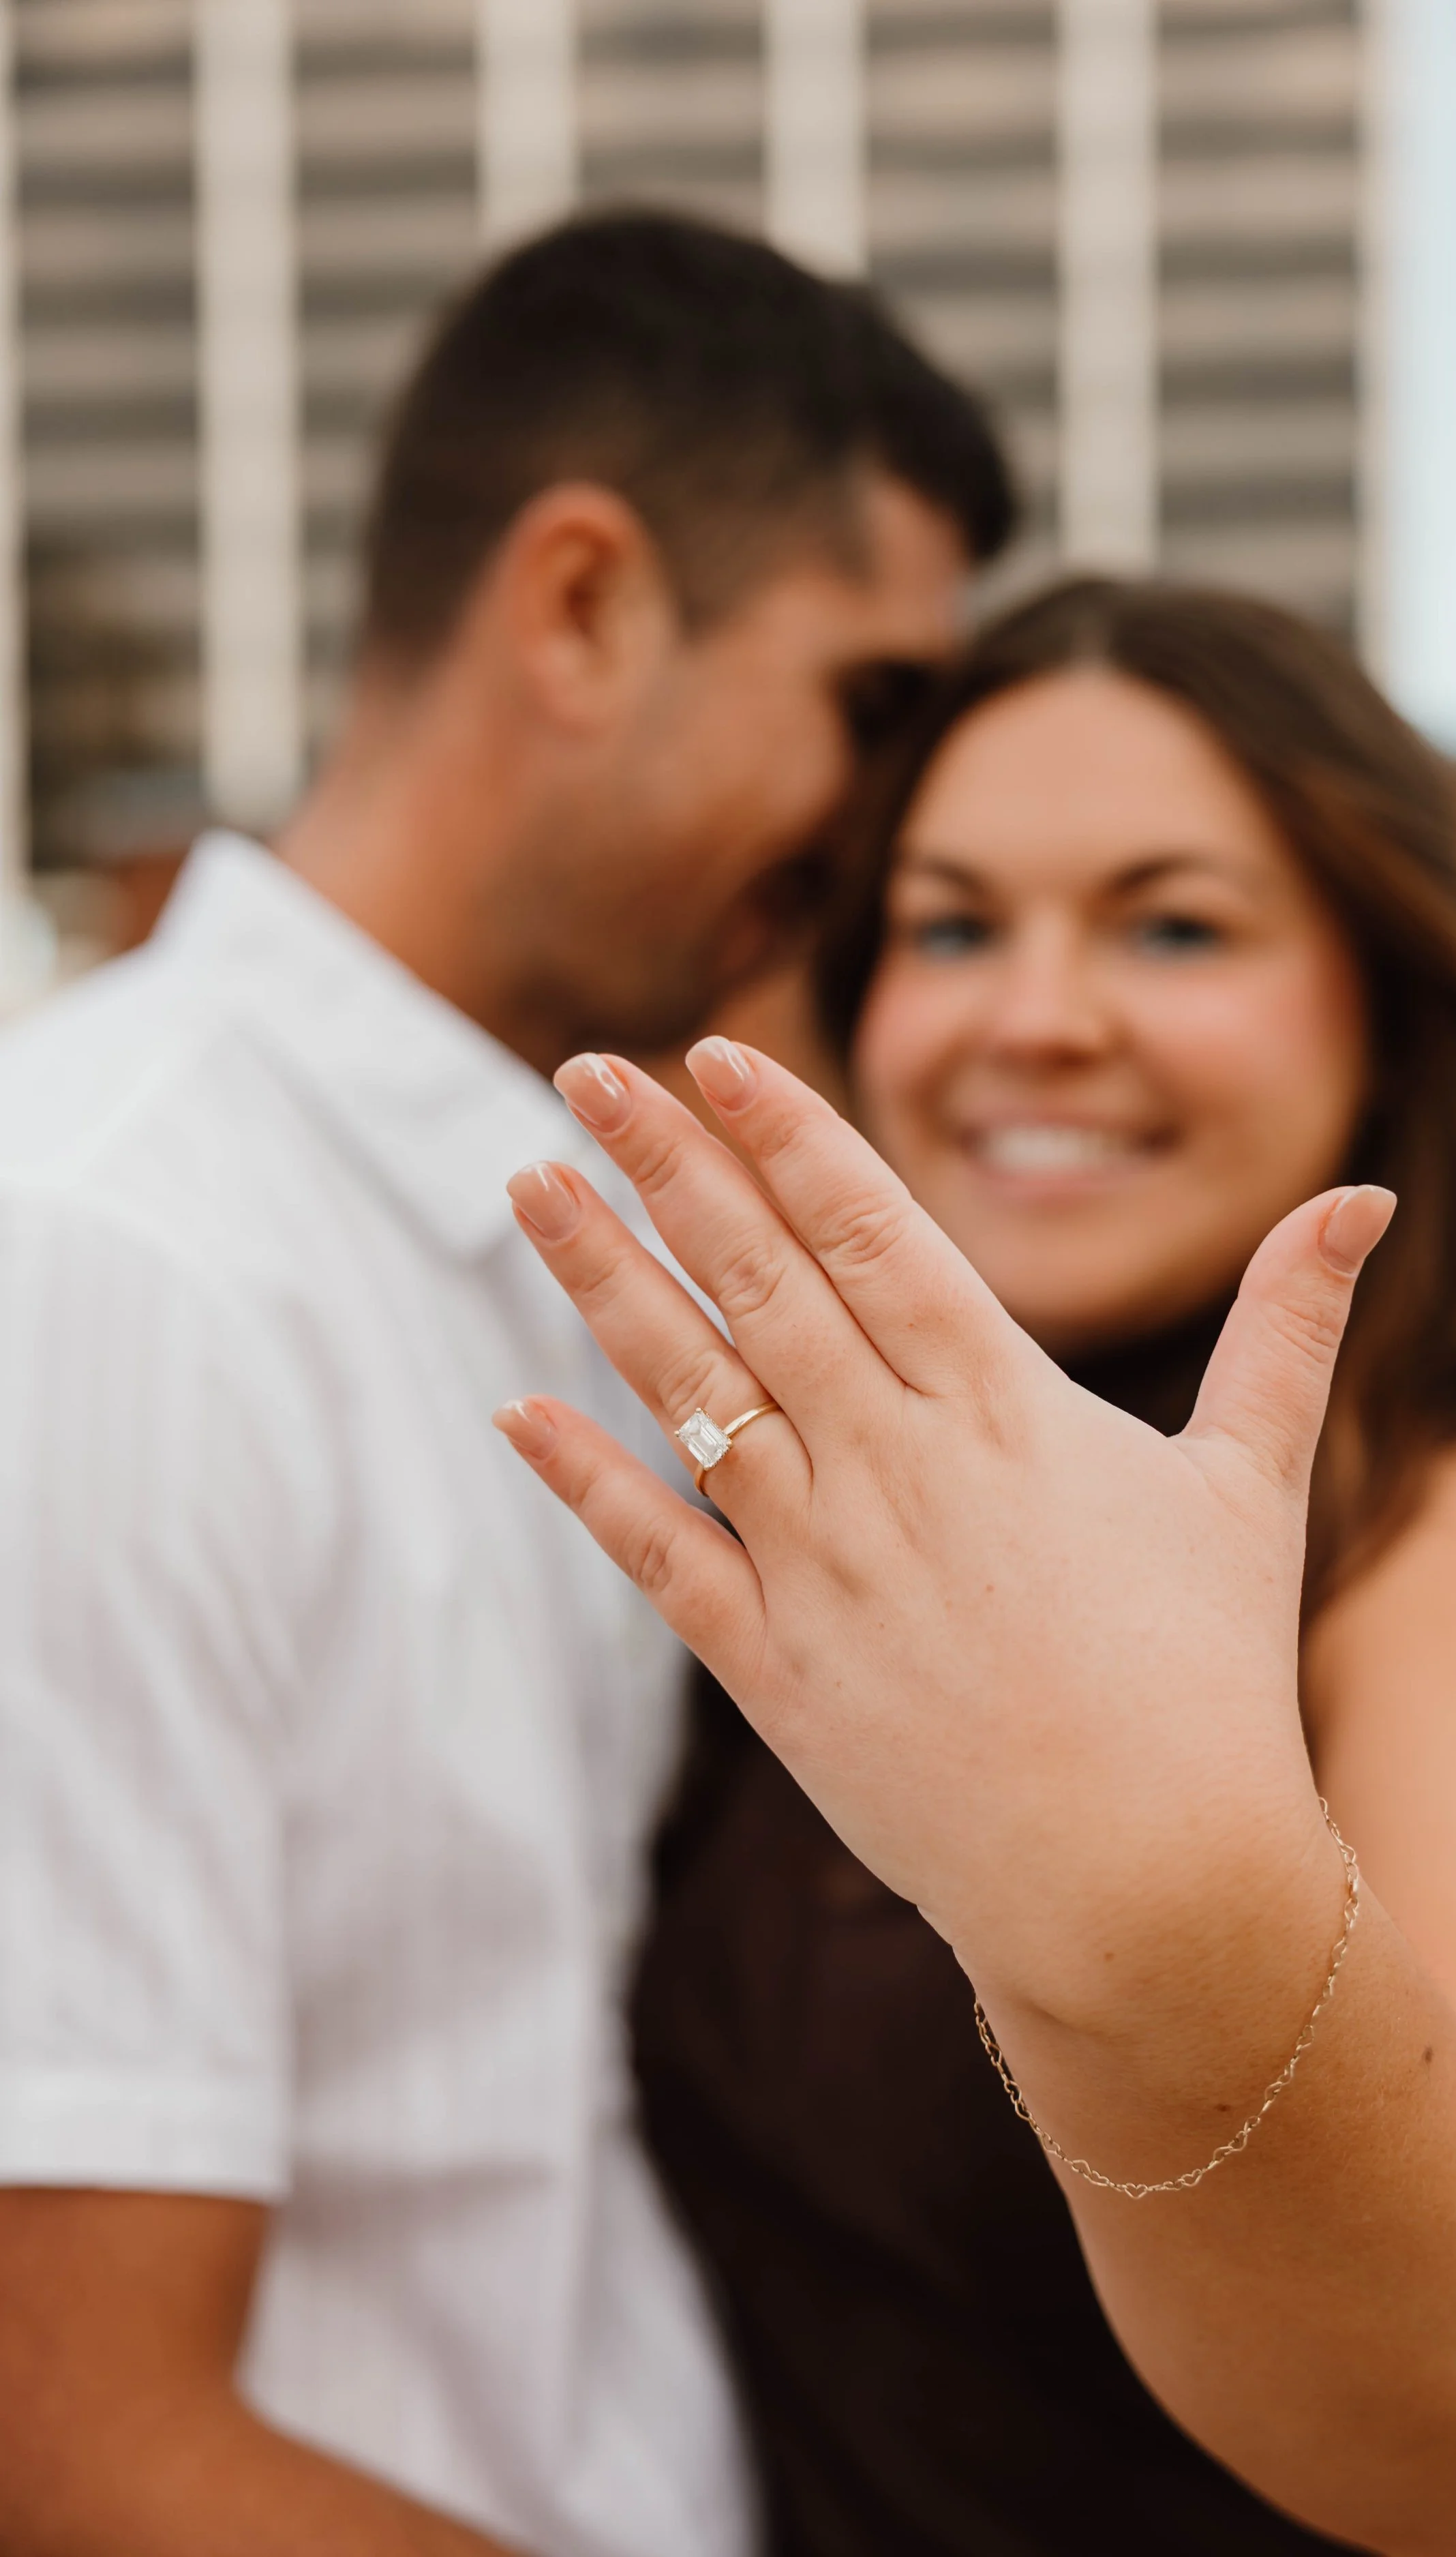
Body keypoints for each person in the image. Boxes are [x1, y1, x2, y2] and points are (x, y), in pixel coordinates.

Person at [494, 582, 1456, 2556]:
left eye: (1171, 925)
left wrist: (1161, 1914)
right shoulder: (873, 1505)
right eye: (951, 924)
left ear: (1380, 997)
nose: (1032, 1016)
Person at [0, 210, 1013, 2556]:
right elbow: (71, 2445)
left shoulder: (563, 1225)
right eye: (870, 705)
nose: (885, 830)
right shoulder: (107, 1257)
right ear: (579, 605)